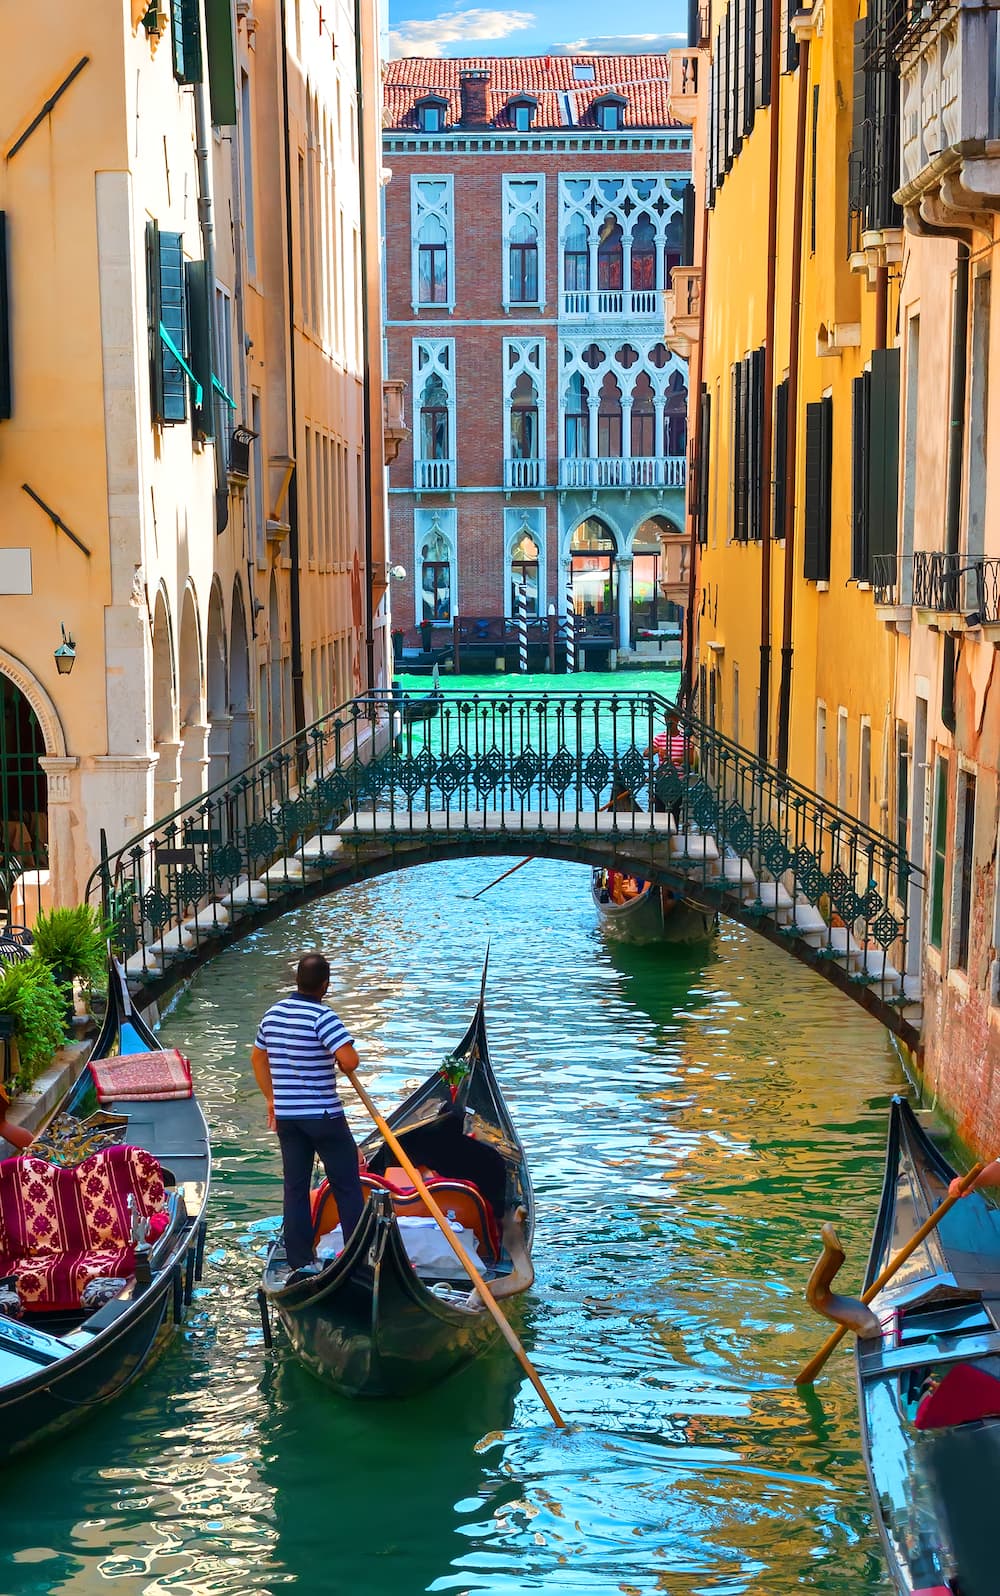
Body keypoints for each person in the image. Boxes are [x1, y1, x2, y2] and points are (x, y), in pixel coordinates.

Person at [252, 953, 365, 1281]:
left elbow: (257, 1059)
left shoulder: (272, 1014)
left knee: (295, 1188)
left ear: (297, 980)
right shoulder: (323, 1016)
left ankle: (301, 1260)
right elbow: (350, 1061)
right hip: (324, 1116)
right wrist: (337, 1056)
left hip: (288, 1117)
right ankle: (356, 1256)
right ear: (325, 986)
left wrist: (272, 1099)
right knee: (346, 1185)